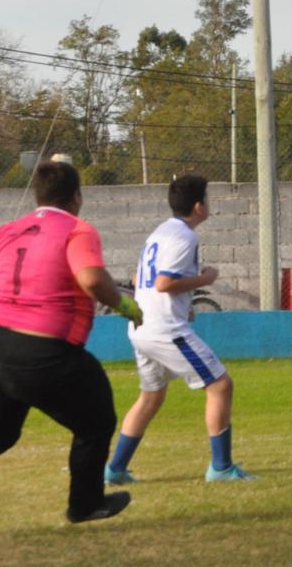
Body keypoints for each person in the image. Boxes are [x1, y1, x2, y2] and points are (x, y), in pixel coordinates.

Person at [0, 161, 143, 523]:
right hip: (44, 349)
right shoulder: (76, 230)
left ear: (38, 195)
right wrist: (127, 306)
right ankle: (85, 505)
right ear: (77, 197)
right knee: (96, 421)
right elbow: (91, 279)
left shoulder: (8, 230)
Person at [105, 174, 254, 484]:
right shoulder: (185, 237)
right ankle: (221, 468)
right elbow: (164, 282)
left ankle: (115, 470)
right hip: (165, 330)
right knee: (220, 385)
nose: (209, 204)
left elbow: (139, 280)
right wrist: (205, 279)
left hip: (142, 326)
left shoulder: (160, 232)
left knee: (151, 396)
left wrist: (183, 305)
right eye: (208, 198)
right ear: (198, 206)